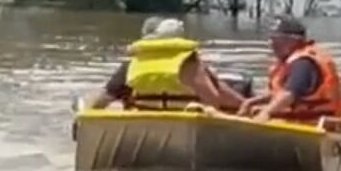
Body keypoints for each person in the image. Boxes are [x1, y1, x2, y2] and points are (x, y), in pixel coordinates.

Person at [90, 17, 245, 112]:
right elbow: (216, 99)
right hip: (186, 120)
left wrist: (81, 119)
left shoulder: (133, 65)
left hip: (143, 123)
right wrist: (248, 107)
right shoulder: (191, 63)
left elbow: (101, 101)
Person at [243, 16, 341, 122]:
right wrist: (252, 101)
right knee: (254, 109)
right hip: (299, 116)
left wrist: (266, 112)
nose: (270, 43)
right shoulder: (289, 61)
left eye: (276, 39)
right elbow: (279, 93)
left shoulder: (304, 63)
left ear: (294, 40)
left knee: (263, 115)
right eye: (270, 39)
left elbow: (289, 94)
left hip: (316, 123)